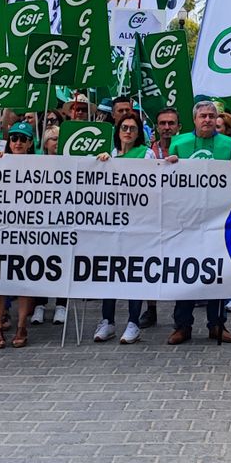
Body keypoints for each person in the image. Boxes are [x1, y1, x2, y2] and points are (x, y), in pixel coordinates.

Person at [168, 102, 231, 344]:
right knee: (185, 272)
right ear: (194, 119)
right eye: (203, 116)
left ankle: (217, 324)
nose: (207, 119)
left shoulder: (229, 145)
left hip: (219, 218)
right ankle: (182, 325)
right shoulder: (179, 143)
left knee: (218, 273)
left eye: (211, 116)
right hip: (186, 219)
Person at [92, 114, 149, 344]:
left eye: (133, 129)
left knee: (133, 272)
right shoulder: (111, 154)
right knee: (110, 271)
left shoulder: (146, 154)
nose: (128, 132)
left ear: (138, 133)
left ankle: (133, 322)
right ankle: (108, 321)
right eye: (124, 127)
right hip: (111, 221)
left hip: (137, 222)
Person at [0, 123, 39, 348]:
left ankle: (21, 326)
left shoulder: (40, 165)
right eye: (14, 138)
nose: (17, 142)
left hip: (27, 230)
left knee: (24, 279)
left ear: (30, 143)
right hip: (0, 230)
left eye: (22, 138)